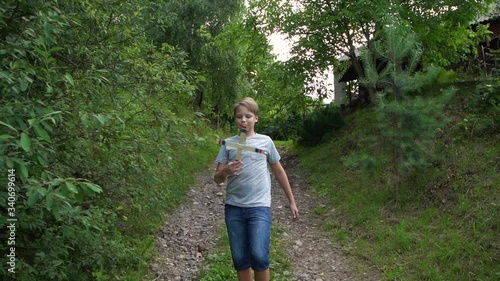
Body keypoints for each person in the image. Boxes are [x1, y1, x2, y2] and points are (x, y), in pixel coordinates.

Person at [213, 97, 299, 281]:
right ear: (235, 119)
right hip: (234, 207)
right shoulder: (228, 143)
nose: (243, 120)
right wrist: (226, 171)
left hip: (259, 206)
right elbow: (217, 179)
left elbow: (279, 172)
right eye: (239, 117)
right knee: (240, 258)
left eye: (248, 116)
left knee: (259, 256)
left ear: (256, 118)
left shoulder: (265, 142)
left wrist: (291, 201)